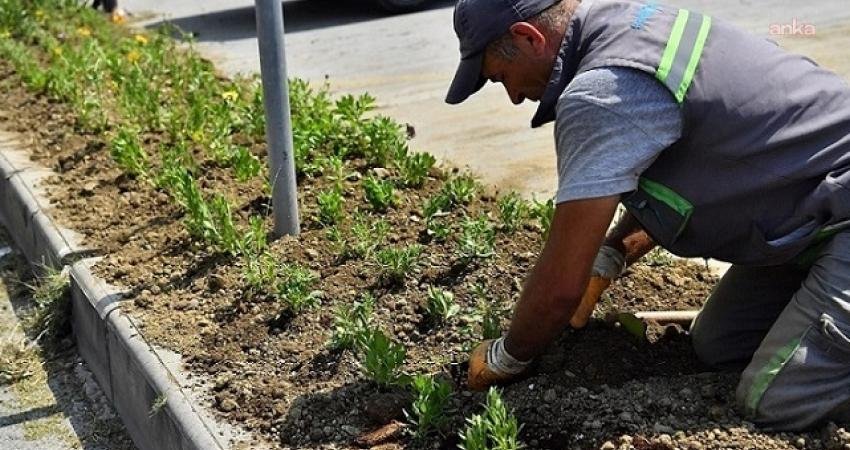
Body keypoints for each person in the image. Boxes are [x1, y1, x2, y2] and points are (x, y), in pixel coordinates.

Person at [446, 0, 850, 431]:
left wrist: (508, 356)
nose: (512, 97)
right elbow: (694, 164)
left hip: (837, 208)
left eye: (499, 77)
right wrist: (613, 253)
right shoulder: (634, 24)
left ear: (529, 38)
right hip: (815, 216)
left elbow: (560, 288)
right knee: (721, 346)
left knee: (777, 402)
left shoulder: (601, 94)